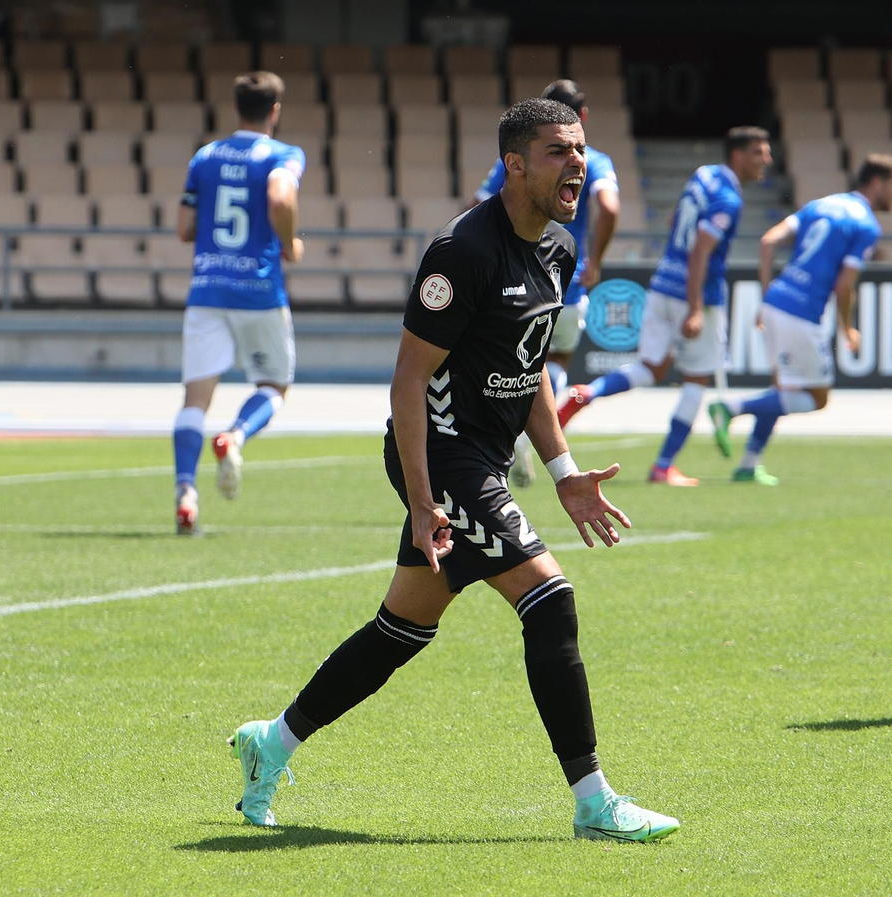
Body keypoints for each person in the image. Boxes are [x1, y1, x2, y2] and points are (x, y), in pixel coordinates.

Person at [226, 98, 680, 843]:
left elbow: (529, 366)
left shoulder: (558, 249)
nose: (578, 163)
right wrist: (422, 495)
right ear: (515, 165)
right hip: (440, 458)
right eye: (559, 151)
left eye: (582, 149)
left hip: (483, 462)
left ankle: (269, 743)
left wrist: (562, 468)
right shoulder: (463, 251)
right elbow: (408, 380)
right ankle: (595, 803)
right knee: (551, 598)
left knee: (401, 628)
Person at [555, 127, 775, 486]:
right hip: (697, 293)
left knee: (652, 367)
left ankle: (587, 392)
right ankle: (663, 466)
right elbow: (701, 251)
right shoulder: (729, 199)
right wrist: (696, 308)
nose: (765, 160)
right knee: (696, 379)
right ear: (738, 155)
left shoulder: (704, 175)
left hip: (662, 281)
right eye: (758, 153)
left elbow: (676, 221)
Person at [706, 154, 892, 484]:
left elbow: (769, 241)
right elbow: (845, 285)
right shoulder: (866, 225)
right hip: (803, 314)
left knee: (783, 390)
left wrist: (767, 293)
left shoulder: (822, 205)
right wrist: (847, 327)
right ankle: (731, 407)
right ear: (876, 182)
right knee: (817, 398)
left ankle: (748, 464)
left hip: (777, 302)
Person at [172, 72, 304, 534]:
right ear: (274, 111)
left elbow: (184, 228)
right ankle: (236, 435)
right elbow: (280, 196)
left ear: (236, 108)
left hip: (207, 288)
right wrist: (288, 242)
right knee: (273, 385)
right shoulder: (283, 154)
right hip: (258, 291)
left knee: (195, 399)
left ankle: (186, 491)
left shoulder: (205, 156)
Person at [470, 80, 620, 487]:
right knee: (555, 359)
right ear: (582, 117)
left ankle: (513, 432)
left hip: (512, 278)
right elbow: (608, 204)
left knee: (514, 363)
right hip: (563, 282)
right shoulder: (596, 161)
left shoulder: (517, 159)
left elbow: (478, 205)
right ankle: (524, 431)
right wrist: (597, 260)